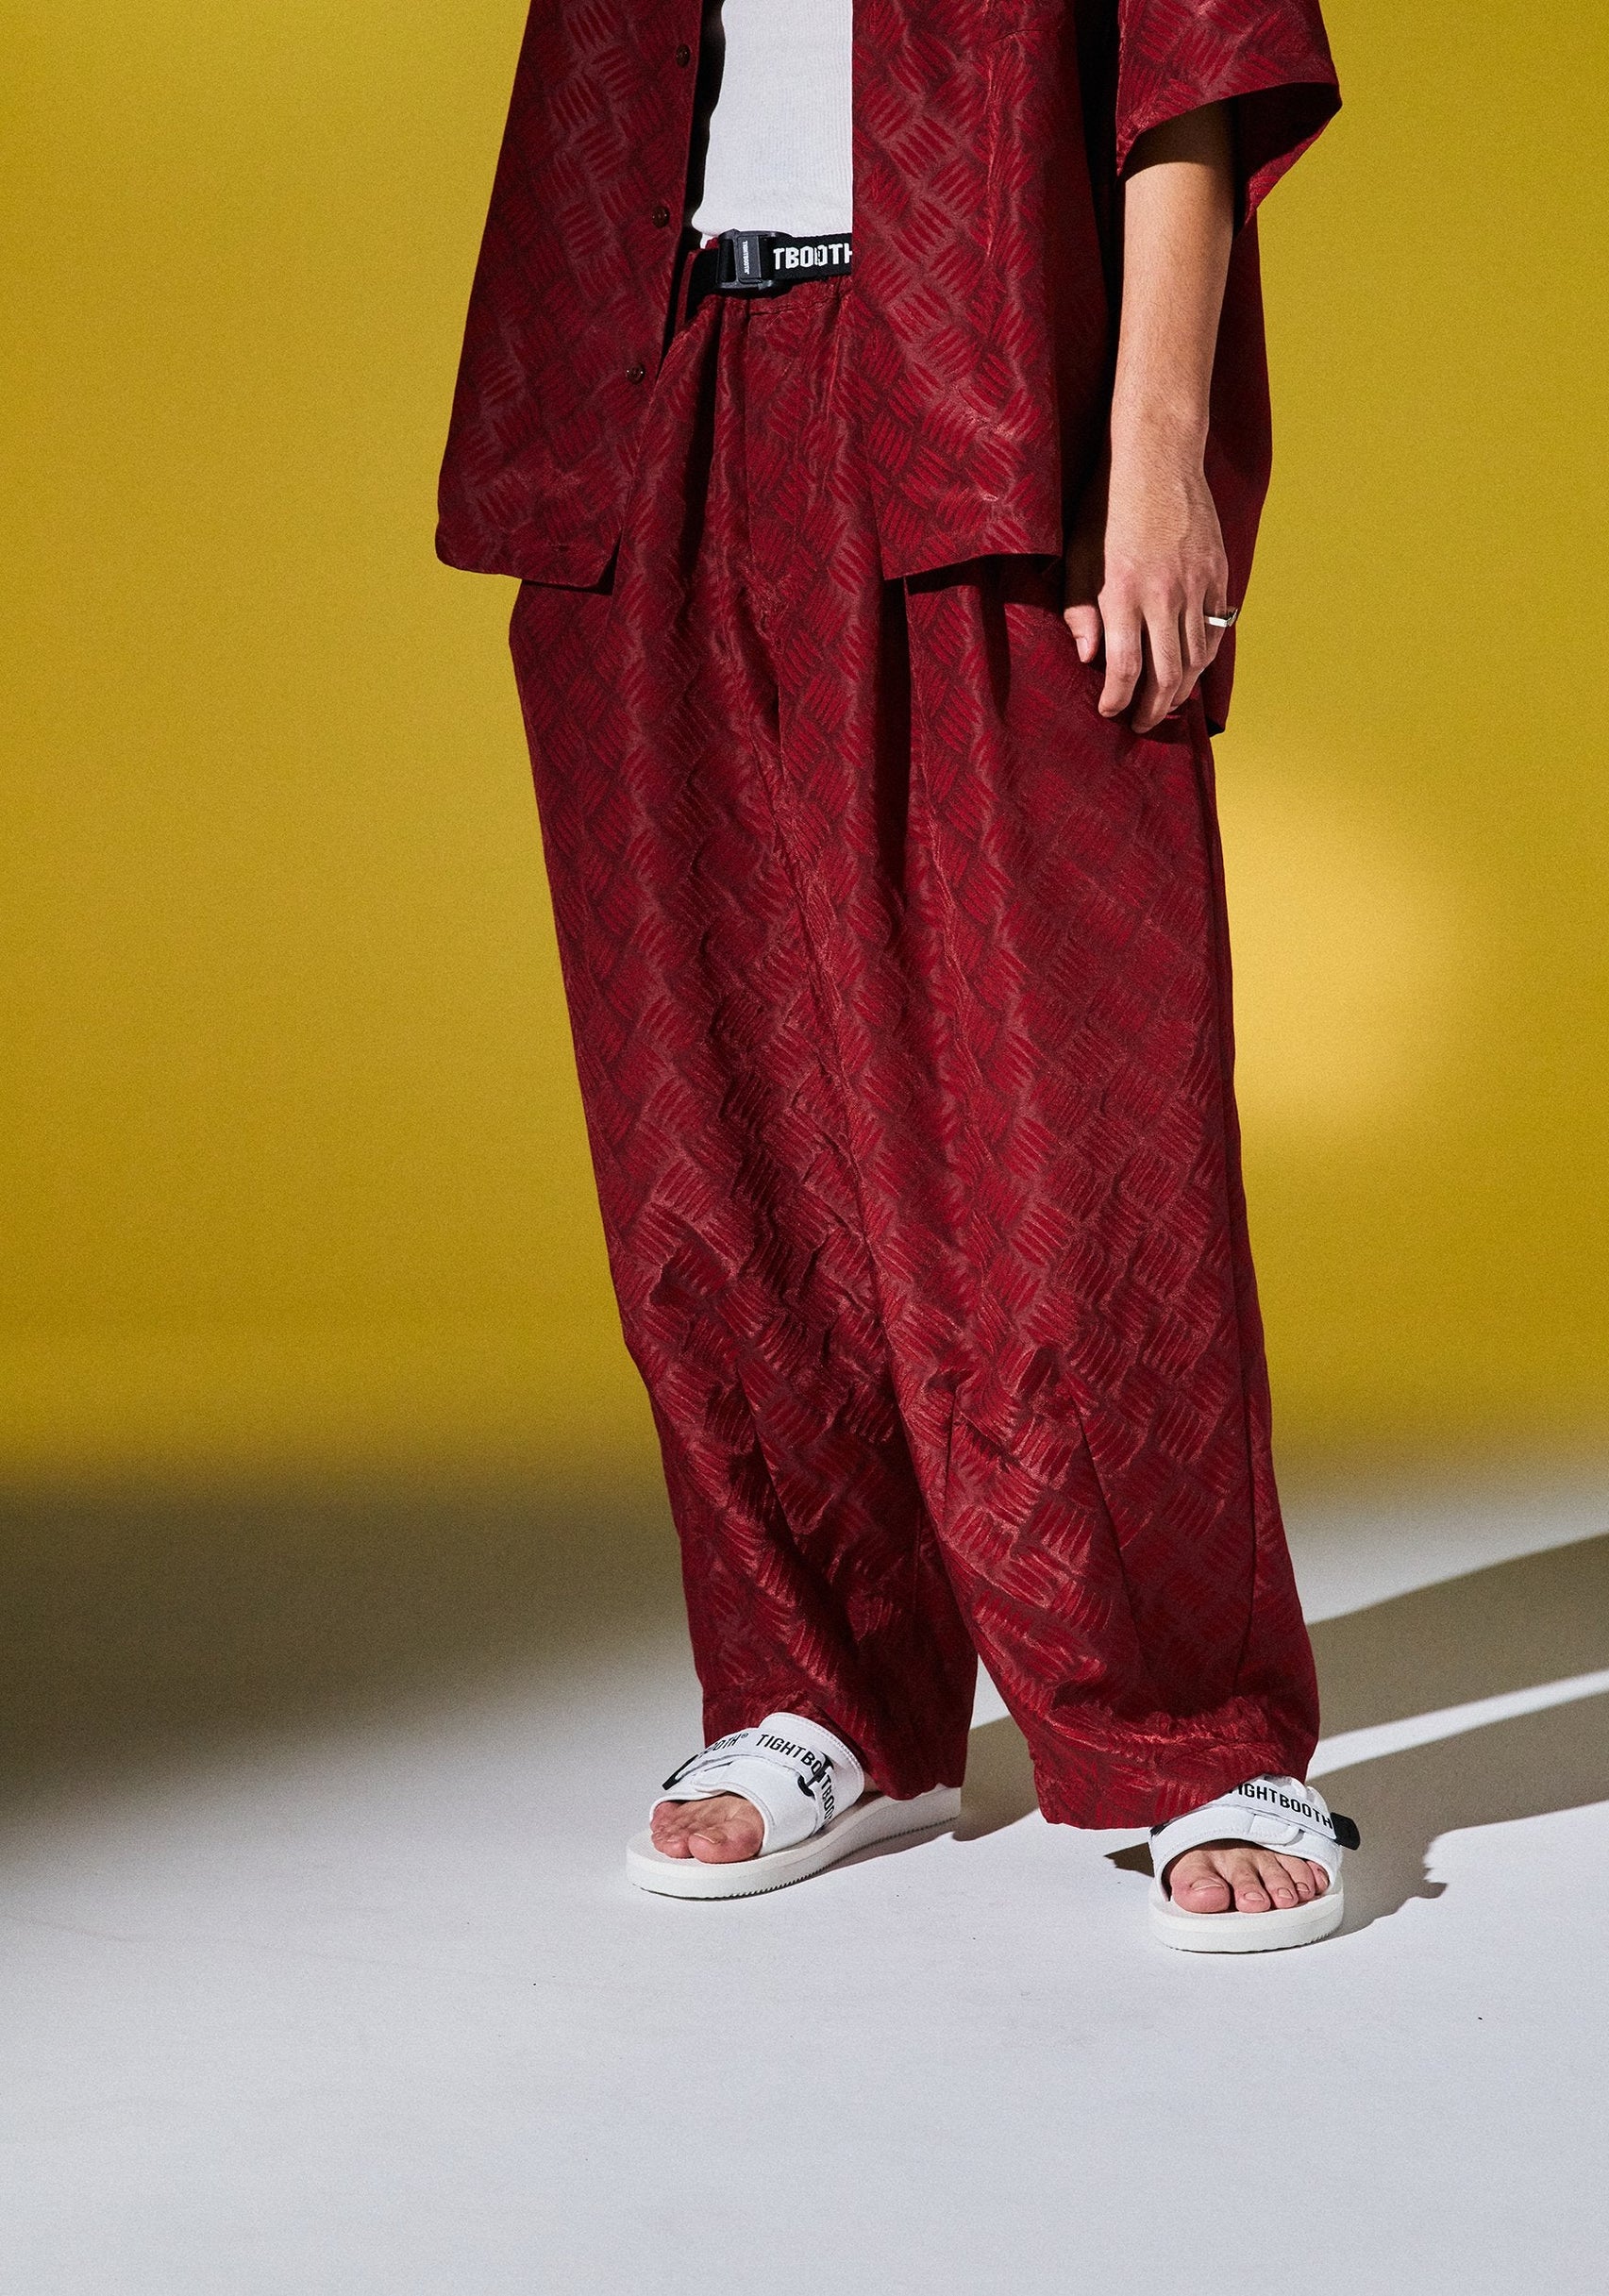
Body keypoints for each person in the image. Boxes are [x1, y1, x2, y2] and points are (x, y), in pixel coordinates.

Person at [438, 0, 1356, 1951]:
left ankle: (1187, 1725)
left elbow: (1188, 70)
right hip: (656, 370)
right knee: (707, 1102)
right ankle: (818, 1687)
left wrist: (1156, 447)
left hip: (985, 367)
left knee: (1070, 1102)